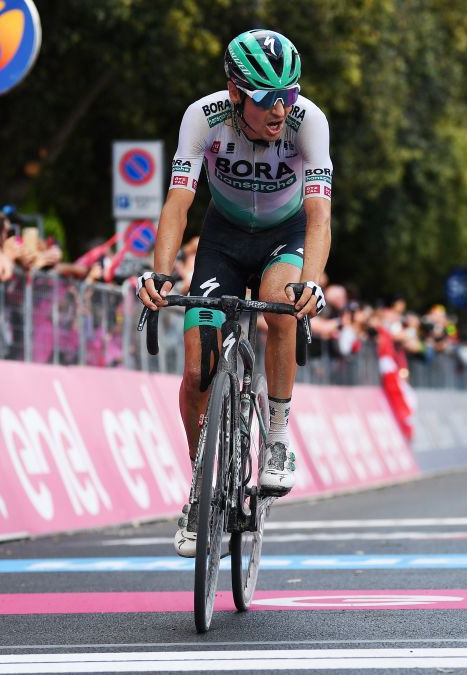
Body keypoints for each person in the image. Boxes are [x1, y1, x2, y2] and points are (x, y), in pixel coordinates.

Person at [136, 29, 333, 557]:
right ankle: (201, 489)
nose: (280, 110)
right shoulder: (203, 117)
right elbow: (178, 203)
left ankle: (277, 435)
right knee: (198, 367)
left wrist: (311, 281)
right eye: (269, 99)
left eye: (289, 95)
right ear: (235, 93)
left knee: (282, 306)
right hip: (221, 238)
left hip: (284, 235)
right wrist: (160, 273)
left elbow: (318, 216)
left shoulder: (307, 121)